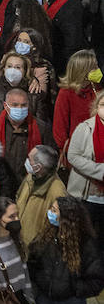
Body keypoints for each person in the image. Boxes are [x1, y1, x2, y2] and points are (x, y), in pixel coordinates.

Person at [64, 86, 104, 253]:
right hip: (88, 196)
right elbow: (72, 156)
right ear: (96, 107)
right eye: (102, 104)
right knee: (85, 243)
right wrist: (100, 171)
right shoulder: (85, 128)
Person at [16, 143, 66, 246]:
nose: (27, 161)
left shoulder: (57, 191)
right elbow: (18, 197)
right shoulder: (30, 177)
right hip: (19, 240)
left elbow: (55, 224)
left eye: (30, 159)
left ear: (38, 167)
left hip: (35, 247)